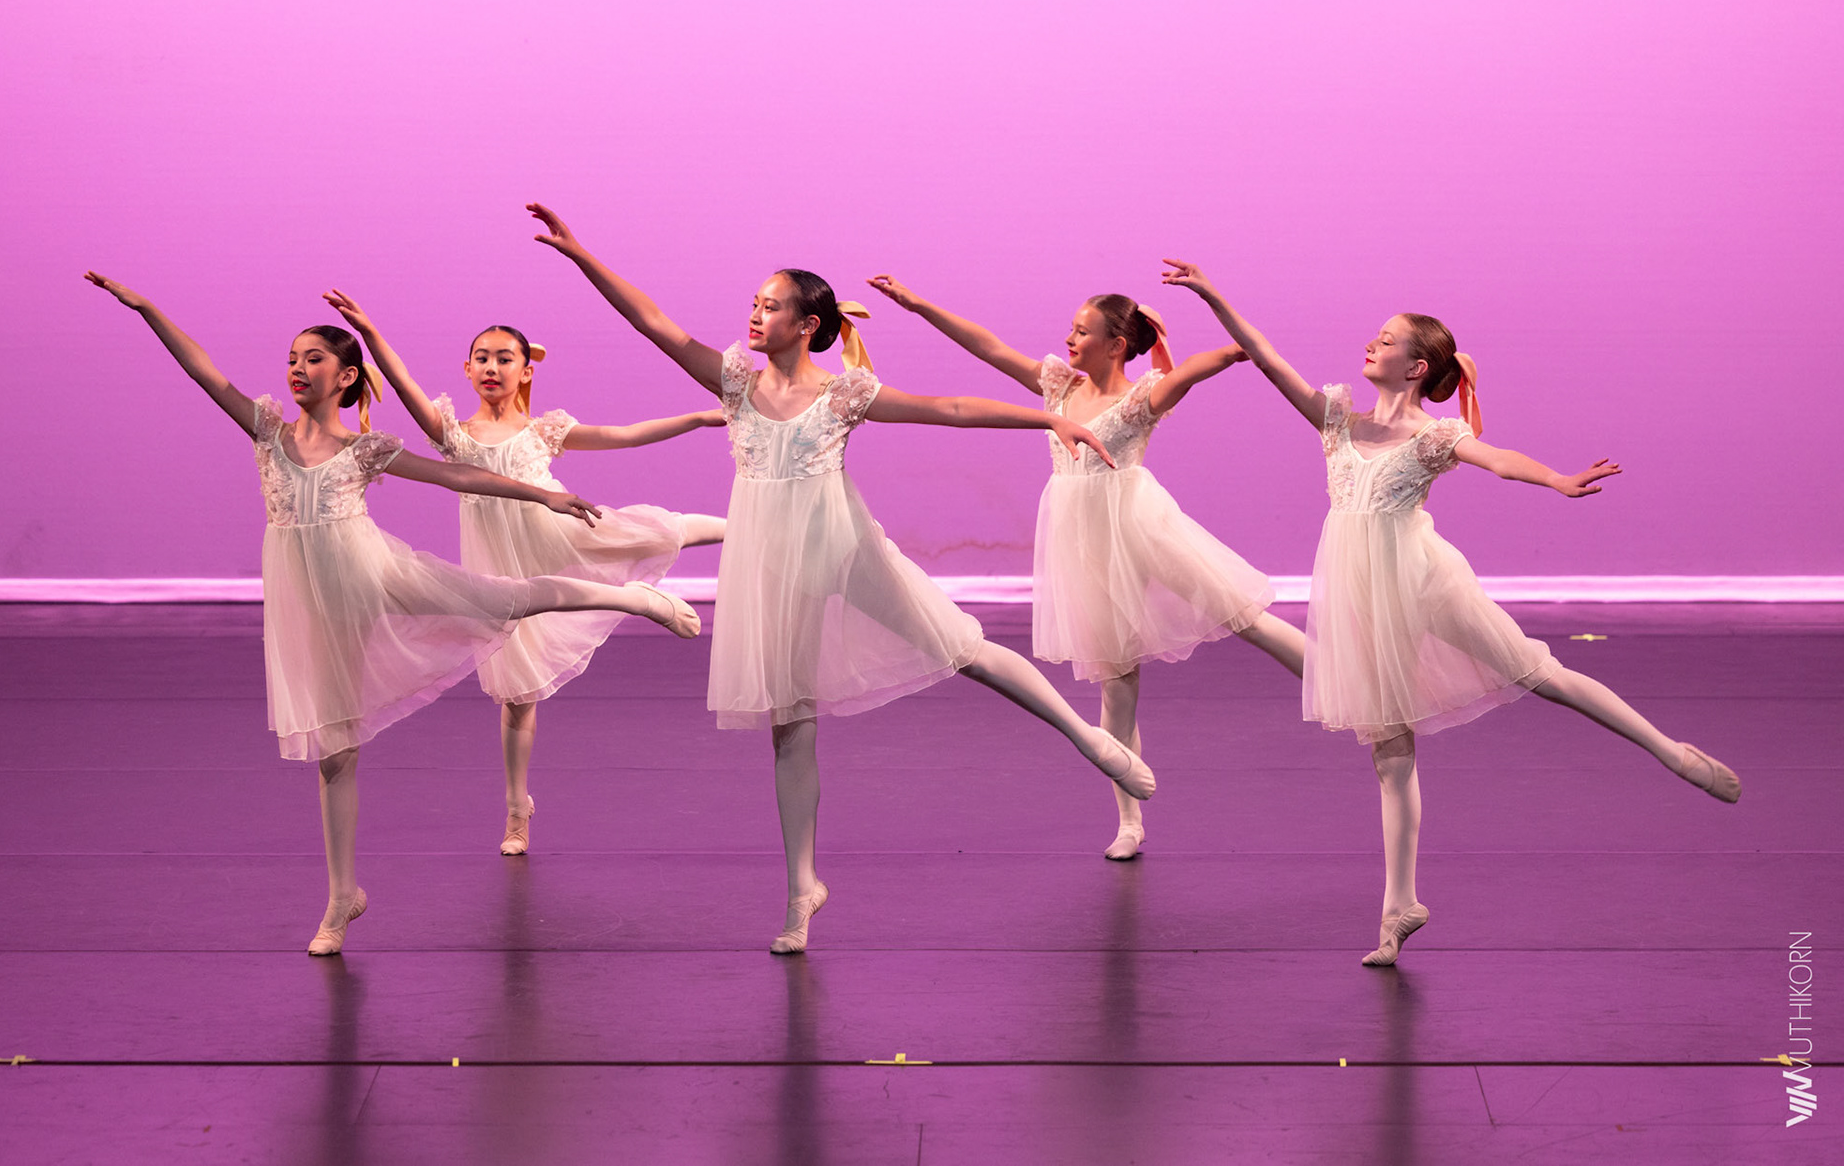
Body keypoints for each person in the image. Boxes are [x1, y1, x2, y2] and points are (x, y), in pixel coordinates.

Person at [526, 205, 1155, 954]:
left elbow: (950, 408)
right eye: (755, 303)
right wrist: (581, 255)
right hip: (771, 568)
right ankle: (802, 889)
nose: (755, 316)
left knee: (963, 648)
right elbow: (651, 322)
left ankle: (1088, 737)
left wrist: (1048, 421)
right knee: (790, 723)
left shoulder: (843, 394)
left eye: (771, 306)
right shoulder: (734, 383)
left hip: (846, 549)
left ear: (807, 324)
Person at [86, 272, 701, 955]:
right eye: (291, 359)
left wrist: (542, 496)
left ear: (347, 376)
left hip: (378, 577)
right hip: (310, 604)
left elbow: (457, 474)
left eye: (313, 358)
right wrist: (148, 308)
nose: (297, 369)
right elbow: (204, 370)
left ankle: (631, 596)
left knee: (506, 598)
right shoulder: (266, 431)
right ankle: (342, 895)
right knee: (334, 752)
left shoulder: (365, 449)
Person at [1160, 258, 1741, 967]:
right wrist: (1212, 292)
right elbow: (1265, 356)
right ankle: (1398, 908)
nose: (1370, 343)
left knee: (1542, 675)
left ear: (1416, 367)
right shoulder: (1337, 418)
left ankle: (1670, 751)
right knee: (1389, 748)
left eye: (1386, 339)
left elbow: (1497, 458)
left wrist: (1556, 479)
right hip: (1363, 595)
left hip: (1426, 583)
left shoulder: (1433, 436)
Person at [867, 275, 1306, 860]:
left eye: (1082, 331)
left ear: (1116, 345)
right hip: (1088, 544)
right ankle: (1129, 820)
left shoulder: (1144, 396)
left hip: (1144, 528)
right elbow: (988, 347)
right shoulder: (1058, 386)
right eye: (1071, 329)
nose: (1069, 338)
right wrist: (919, 304)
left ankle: (1334, 681)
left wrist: (1218, 311)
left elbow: (1214, 360)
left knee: (1242, 615)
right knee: (1117, 684)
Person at [331, 293, 727, 855]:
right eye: (482, 358)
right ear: (467, 369)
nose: (492, 367)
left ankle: (747, 527)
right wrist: (370, 332)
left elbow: (624, 434)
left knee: (656, 531)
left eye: (504, 358)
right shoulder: (451, 432)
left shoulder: (543, 430)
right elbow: (403, 384)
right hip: (500, 562)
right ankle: (517, 809)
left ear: (526, 370)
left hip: (560, 532)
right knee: (517, 695)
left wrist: (699, 417)